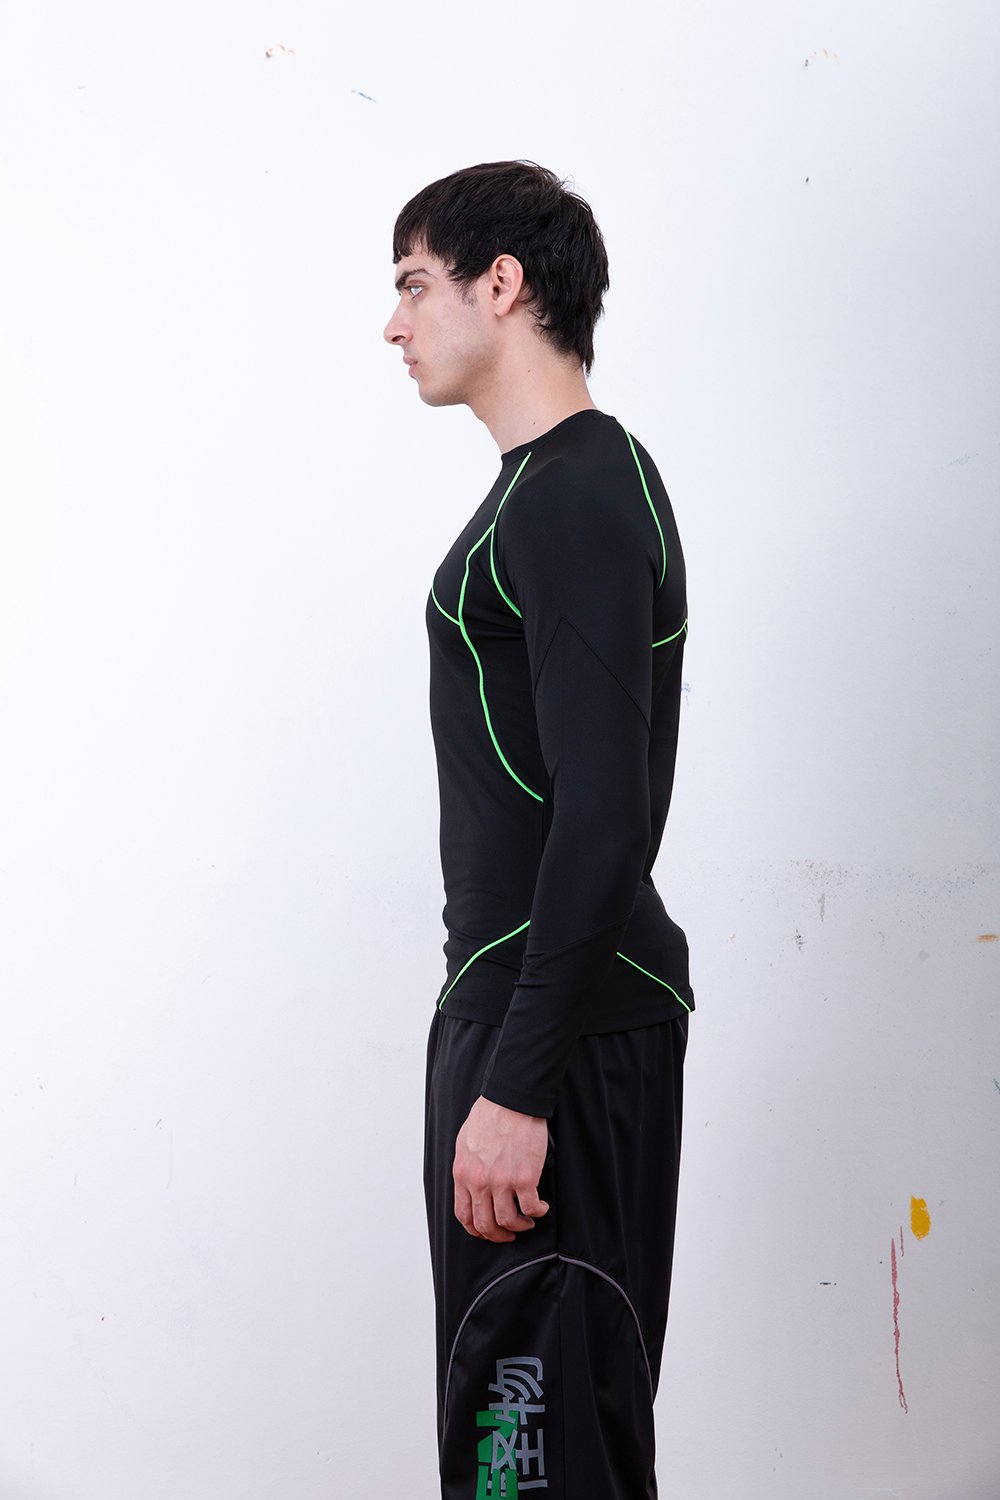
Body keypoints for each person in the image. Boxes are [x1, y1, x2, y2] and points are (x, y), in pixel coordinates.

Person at [383, 160, 694, 1500]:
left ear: (500, 283)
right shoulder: (559, 486)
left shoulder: (574, 492)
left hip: (551, 1036)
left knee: (534, 1457)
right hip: (532, 1016)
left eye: (415, 284)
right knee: (518, 1447)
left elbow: (604, 815)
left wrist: (515, 1087)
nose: (394, 324)